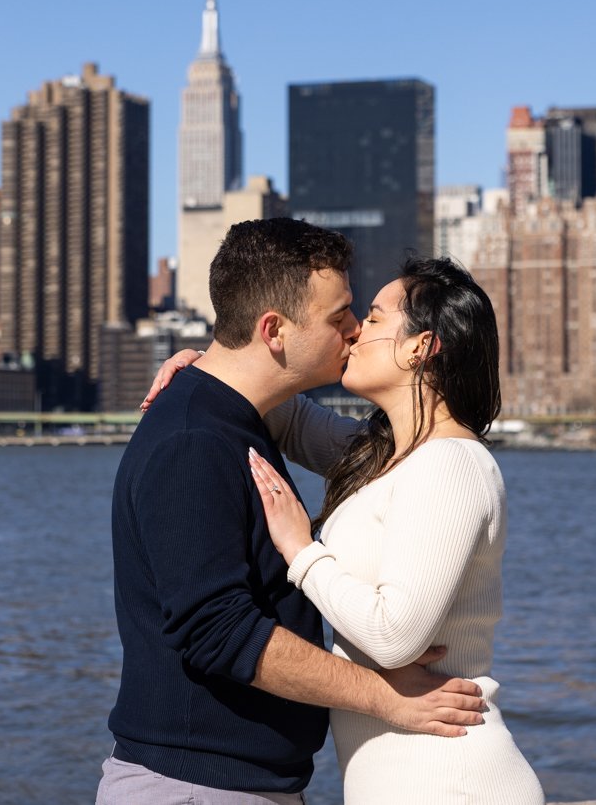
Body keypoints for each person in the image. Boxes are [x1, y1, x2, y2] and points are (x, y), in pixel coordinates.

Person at [99, 220, 487, 805]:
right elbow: (220, 633)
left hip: (243, 783)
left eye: (363, 316)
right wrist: (385, 695)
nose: (354, 331)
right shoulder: (193, 441)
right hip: (197, 788)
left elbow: (302, 420)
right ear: (274, 330)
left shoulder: (243, 420)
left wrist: (208, 363)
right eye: (340, 317)